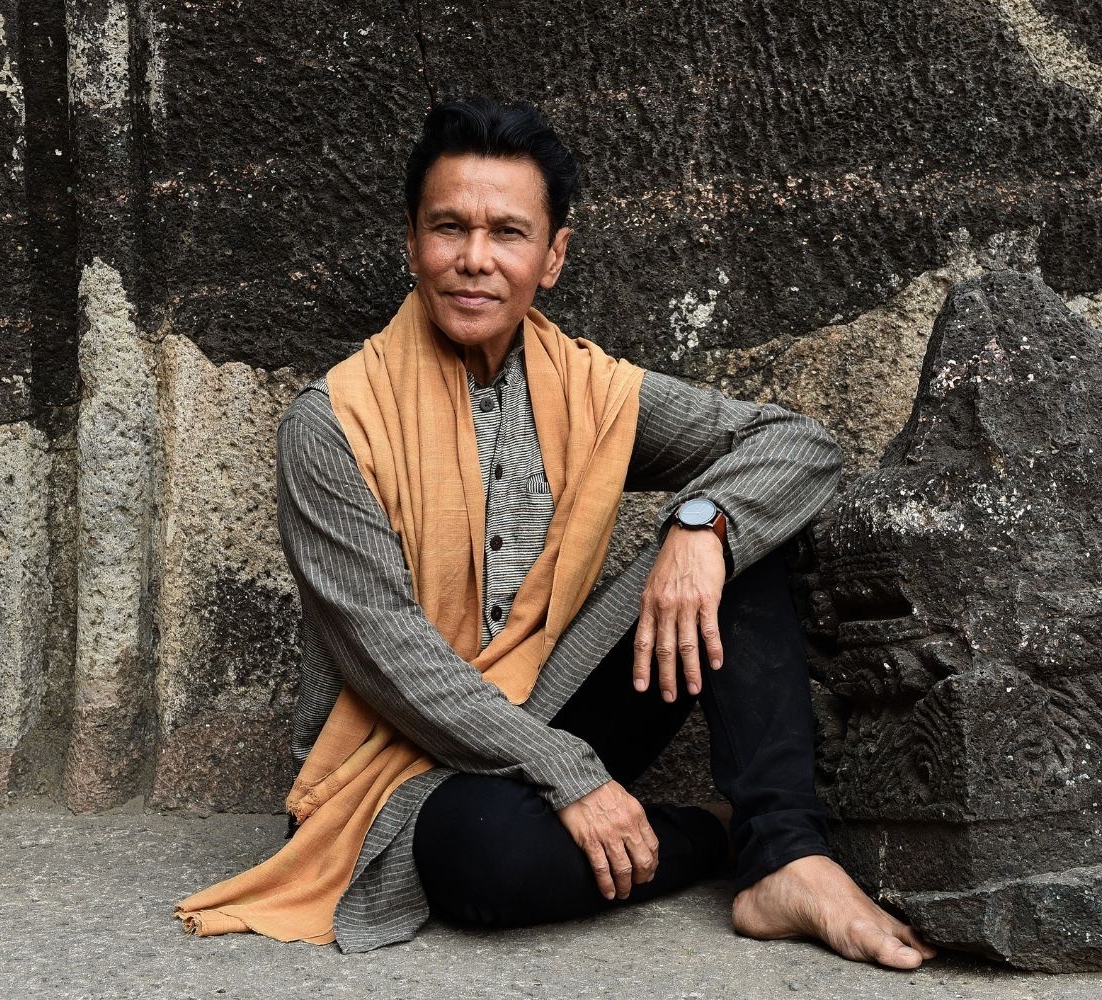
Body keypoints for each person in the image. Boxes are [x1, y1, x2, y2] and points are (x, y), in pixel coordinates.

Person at [176, 96, 936, 970]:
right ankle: (710, 837)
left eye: (508, 233)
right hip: (402, 766)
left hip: (555, 700)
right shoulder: (334, 423)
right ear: (411, 243)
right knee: (485, 859)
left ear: (553, 257)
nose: (474, 260)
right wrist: (570, 774)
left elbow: (796, 446)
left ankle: (786, 857)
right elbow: (391, 660)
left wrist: (699, 525)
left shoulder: (588, 390)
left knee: (737, 541)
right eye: (448, 228)